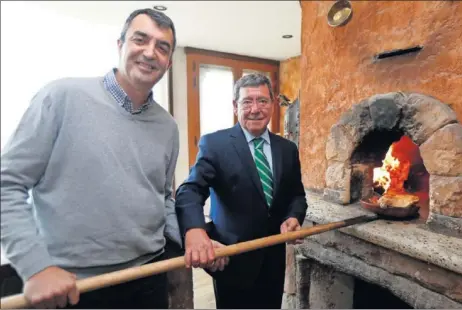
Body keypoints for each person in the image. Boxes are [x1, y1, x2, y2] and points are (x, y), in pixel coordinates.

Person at [1, 8, 183, 309]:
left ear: (169, 61)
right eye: (141, 39)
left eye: (162, 47)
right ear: (120, 44)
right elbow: (6, 184)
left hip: (149, 277)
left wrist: (192, 236)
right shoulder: (60, 97)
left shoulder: (168, 127)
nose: (151, 53)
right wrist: (36, 266)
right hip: (73, 286)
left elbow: (162, 199)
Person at [175, 73, 309, 309]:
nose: (255, 109)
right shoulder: (215, 144)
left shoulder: (287, 149)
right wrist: (196, 232)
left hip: (273, 260)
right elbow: (190, 191)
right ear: (236, 106)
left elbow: (297, 195)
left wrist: (293, 217)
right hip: (231, 260)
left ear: (273, 105)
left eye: (262, 101)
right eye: (247, 101)